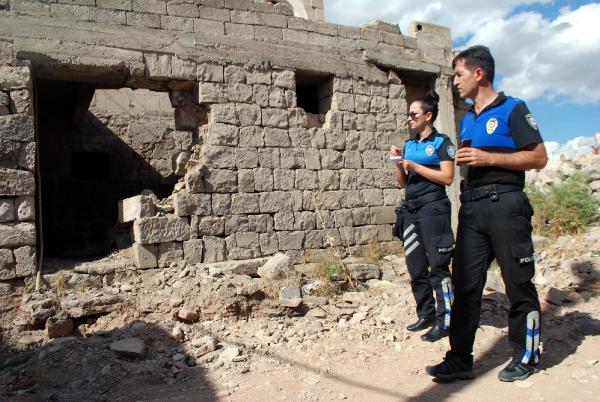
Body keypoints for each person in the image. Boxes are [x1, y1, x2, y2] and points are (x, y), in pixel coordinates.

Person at [426, 45, 548, 382]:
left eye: (459, 74)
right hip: (473, 208)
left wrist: (489, 158)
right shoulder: (468, 119)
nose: (454, 82)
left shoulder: (512, 109)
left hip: (506, 204)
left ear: (479, 74)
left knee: (518, 283)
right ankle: (459, 359)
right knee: (465, 286)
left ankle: (527, 355)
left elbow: (539, 157)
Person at [390, 91, 456, 342]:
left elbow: (447, 178)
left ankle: (446, 320)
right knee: (415, 266)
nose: (409, 118)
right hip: (411, 211)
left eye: (413, 114)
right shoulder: (410, 144)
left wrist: (417, 166)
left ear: (428, 116)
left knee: (438, 266)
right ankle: (426, 314)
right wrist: (399, 163)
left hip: (434, 209)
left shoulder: (442, 143)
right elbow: (402, 183)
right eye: (408, 115)